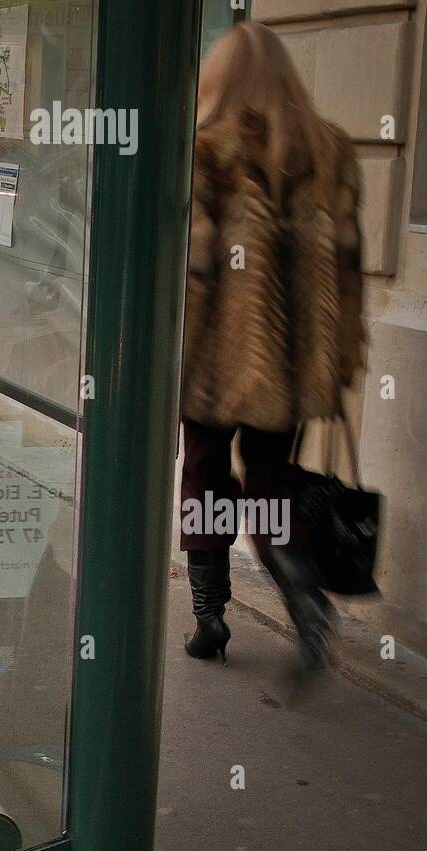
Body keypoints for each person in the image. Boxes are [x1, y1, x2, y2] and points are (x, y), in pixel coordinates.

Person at [180, 21, 364, 681]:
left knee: (204, 472)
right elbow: (347, 269)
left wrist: (174, 361)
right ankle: (300, 591)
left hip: (214, 363)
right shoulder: (330, 150)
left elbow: (197, 273)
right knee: (268, 482)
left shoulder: (206, 150)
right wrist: (338, 357)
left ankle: (210, 618)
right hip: (289, 365)